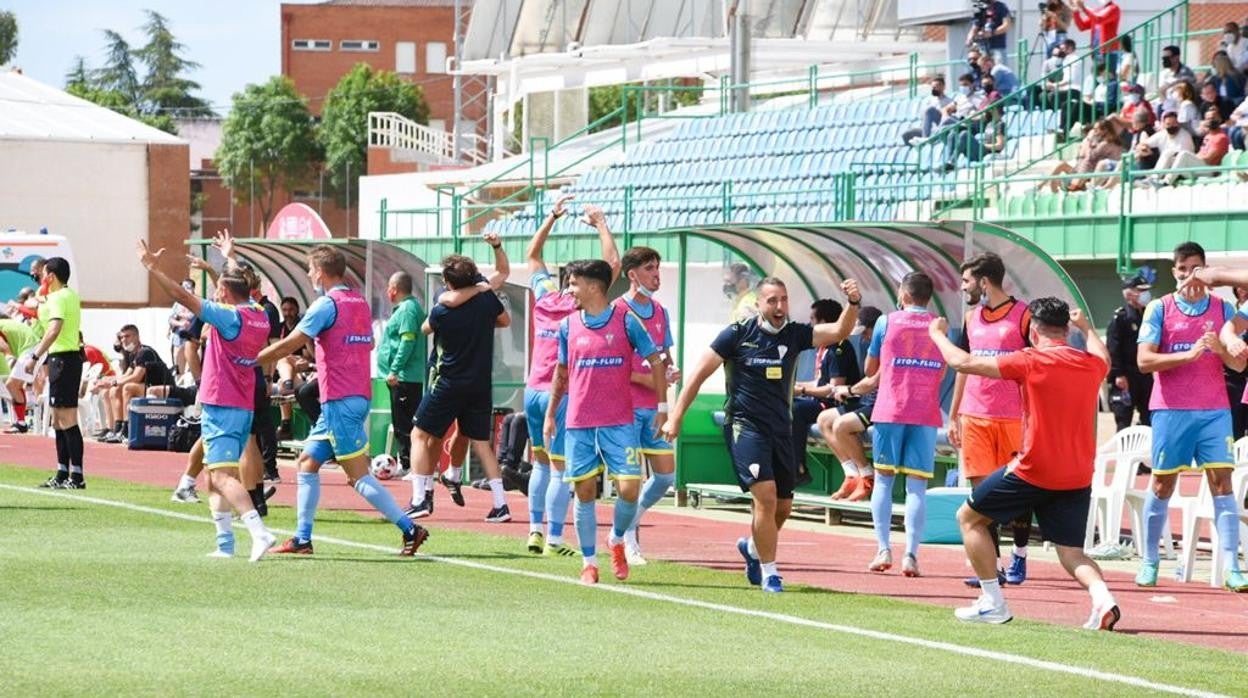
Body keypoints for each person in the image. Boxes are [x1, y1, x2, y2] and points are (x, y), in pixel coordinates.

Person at [929, 297, 1122, 629]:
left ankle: (993, 602)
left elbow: (963, 362)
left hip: (1034, 468)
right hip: (1077, 474)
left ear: (1033, 330)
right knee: (1071, 553)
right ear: (1066, 329)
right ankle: (1104, 600)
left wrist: (936, 334)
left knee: (969, 518)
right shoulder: (1091, 364)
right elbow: (1103, 356)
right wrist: (1087, 328)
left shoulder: (1030, 360)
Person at [662, 277, 861, 592]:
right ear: (759, 303)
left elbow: (839, 331)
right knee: (765, 498)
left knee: (782, 507)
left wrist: (852, 304)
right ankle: (771, 573)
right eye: (772, 300)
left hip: (781, 429)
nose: (779, 306)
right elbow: (697, 376)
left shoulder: (796, 334)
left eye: (784, 299)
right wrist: (675, 418)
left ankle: (754, 550)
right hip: (745, 427)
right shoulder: (737, 335)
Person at [259, 245, 428, 557]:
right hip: (352, 395)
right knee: (307, 463)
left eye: (310, 270)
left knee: (357, 477)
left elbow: (292, 342)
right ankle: (302, 539)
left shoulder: (326, 304)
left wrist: (252, 359)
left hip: (339, 399)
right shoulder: (359, 301)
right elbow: (370, 342)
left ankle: (410, 528)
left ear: (320, 273)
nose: (309, 275)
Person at [135, 240, 277, 561]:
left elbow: (183, 296)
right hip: (240, 403)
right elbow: (235, 286)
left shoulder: (228, 317)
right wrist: (228, 258)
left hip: (221, 402)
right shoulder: (258, 313)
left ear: (225, 293)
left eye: (218, 291)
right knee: (214, 476)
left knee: (223, 477)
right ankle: (225, 544)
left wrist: (152, 268)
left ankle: (259, 532)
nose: (214, 294)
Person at [1134, 242, 1247, 592]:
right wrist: (1186, 358)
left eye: (1196, 268)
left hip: (1215, 411)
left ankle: (1233, 566)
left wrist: (1220, 350)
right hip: (1171, 411)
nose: (1189, 276)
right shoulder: (1159, 308)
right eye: (1182, 269)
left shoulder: (1224, 308)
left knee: (1222, 485)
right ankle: (1150, 561)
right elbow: (1143, 362)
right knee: (1162, 484)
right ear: (1174, 272)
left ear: (1205, 270)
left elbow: (1239, 364)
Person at [546, 258, 667, 585]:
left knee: (629, 489)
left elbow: (656, 361)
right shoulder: (568, 326)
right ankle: (589, 562)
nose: (570, 290)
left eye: (573, 284)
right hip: (579, 423)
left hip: (618, 422)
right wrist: (550, 414)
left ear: (594, 287)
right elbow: (561, 373)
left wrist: (662, 406)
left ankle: (615, 539)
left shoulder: (626, 320)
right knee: (584, 491)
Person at [521, 195, 619, 556]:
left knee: (540, 463)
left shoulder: (546, 298)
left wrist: (551, 217)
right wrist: (601, 224)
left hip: (531, 390)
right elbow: (612, 264)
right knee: (562, 470)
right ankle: (556, 540)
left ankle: (533, 530)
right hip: (557, 394)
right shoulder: (581, 307)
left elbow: (532, 256)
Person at [839, 272, 944, 578]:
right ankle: (911, 554)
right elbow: (942, 370)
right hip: (924, 411)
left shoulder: (886, 322)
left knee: (884, 480)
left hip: (890, 409)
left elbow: (872, 370)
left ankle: (883, 548)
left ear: (904, 294)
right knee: (917, 485)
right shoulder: (939, 324)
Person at [407, 235, 512, 522]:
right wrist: (481, 291)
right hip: (479, 383)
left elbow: (425, 328)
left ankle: (421, 497)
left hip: (449, 381)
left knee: (421, 435)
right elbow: (505, 319)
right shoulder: (486, 299)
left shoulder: (444, 309)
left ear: (448, 281)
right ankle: (501, 504)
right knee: (479, 442)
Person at [947, 253, 1033, 588]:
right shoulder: (970, 318)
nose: (963, 287)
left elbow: (1036, 367)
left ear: (984, 282)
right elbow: (963, 367)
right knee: (983, 494)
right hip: (974, 416)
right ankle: (991, 566)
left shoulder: (1023, 316)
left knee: (1019, 490)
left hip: (1014, 418)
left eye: (967, 280)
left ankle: (1020, 557)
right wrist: (953, 415)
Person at [616, 245, 682, 566]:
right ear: (632, 275)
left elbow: (665, 358)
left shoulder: (660, 312)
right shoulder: (616, 312)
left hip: (655, 410)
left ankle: (627, 524)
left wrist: (670, 371)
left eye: (658, 268)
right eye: (650, 269)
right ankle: (629, 542)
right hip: (624, 408)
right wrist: (651, 379)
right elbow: (617, 367)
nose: (657, 275)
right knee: (629, 481)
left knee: (666, 478)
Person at [27, 258, 84, 489]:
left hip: (65, 359)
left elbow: (54, 328)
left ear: (51, 276)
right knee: (58, 419)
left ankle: (77, 475)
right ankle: (62, 472)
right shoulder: (64, 295)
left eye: (43, 274)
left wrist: (35, 356)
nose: (41, 278)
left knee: (67, 418)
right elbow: (37, 302)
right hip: (60, 359)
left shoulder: (61, 297)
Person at [792, 299, 860, 491]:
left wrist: (802, 390)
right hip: (820, 401)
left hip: (837, 405)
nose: (810, 324)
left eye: (813, 319)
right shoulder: (824, 347)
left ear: (824, 323)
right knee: (781, 404)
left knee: (794, 409)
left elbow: (833, 389)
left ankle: (799, 468)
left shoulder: (839, 349)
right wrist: (795, 387)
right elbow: (819, 383)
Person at [822, 306, 883, 502]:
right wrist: (849, 390)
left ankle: (866, 476)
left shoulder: (887, 344)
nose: (863, 338)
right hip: (866, 400)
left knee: (842, 426)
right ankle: (851, 474)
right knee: (824, 419)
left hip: (881, 405)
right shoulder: (870, 345)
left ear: (877, 328)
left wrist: (848, 390)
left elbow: (873, 381)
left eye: (866, 332)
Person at [377, 271, 426, 478]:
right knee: (401, 424)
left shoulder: (407, 310)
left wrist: (394, 369)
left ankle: (412, 466)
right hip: (403, 377)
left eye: (389, 287)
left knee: (405, 425)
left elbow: (407, 341)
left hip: (405, 377)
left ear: (394, 289)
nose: (388, 291)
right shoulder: (407, 308)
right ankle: (407, 463)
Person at [1106, 269, 1154, 430]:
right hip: (1126, 376)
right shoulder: (1120, 318)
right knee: (1123, 419)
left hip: (1146, 375)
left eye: (1146, 290)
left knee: (1149, 418)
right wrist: (1118, 374)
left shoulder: (1149, 315)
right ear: (1129, 294)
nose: (1146, 294)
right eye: (1141, 291)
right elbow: (1113, 348)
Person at [0, 314, 39, 433]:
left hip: (30, 350)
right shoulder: (5, 324)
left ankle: (21, 423)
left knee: (11, 385)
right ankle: (21, 422)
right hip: (34, 348)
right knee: (14, 386)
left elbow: (5, 349)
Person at [966, 0, 1012, 65]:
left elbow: (1006, 25)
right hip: (982, 48)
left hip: (997, 47)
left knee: (999, 70)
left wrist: (992, 33)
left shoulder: (1001, 6)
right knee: (983, 71)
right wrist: (969, 38)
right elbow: (974, 27)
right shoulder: (980, 8)